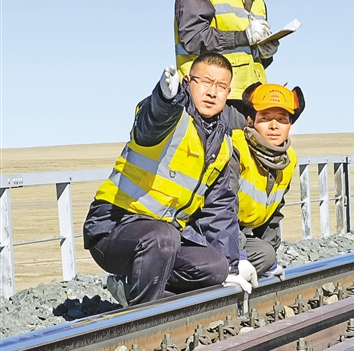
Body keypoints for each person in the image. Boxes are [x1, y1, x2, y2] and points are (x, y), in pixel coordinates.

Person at [83, 53, 258, 306]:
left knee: (215, 268)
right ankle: (144, 320)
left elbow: (219, 210)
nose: (212, 92)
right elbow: (151, 122)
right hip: (113, 227)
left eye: (221, 86)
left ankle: (137, 294)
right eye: (205, 82)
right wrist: (165, 98)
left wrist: (231, 267)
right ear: (188, 81)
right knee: (164, 236)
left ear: (228, 92)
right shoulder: (172, 116)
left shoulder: (222, 145)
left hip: (163, 238)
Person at [231, 82, 304, 283]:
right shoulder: (235, 149)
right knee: (262, 254)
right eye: (265, 118)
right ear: (250, 120)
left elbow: (273, 213)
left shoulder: (287, 159)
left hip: (239, 234)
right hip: (213, 233)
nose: (274, 126)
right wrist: (238, 256)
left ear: (290, 125)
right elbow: (222, 209)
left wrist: (270, 260)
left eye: (282, 119)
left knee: (266, 253)